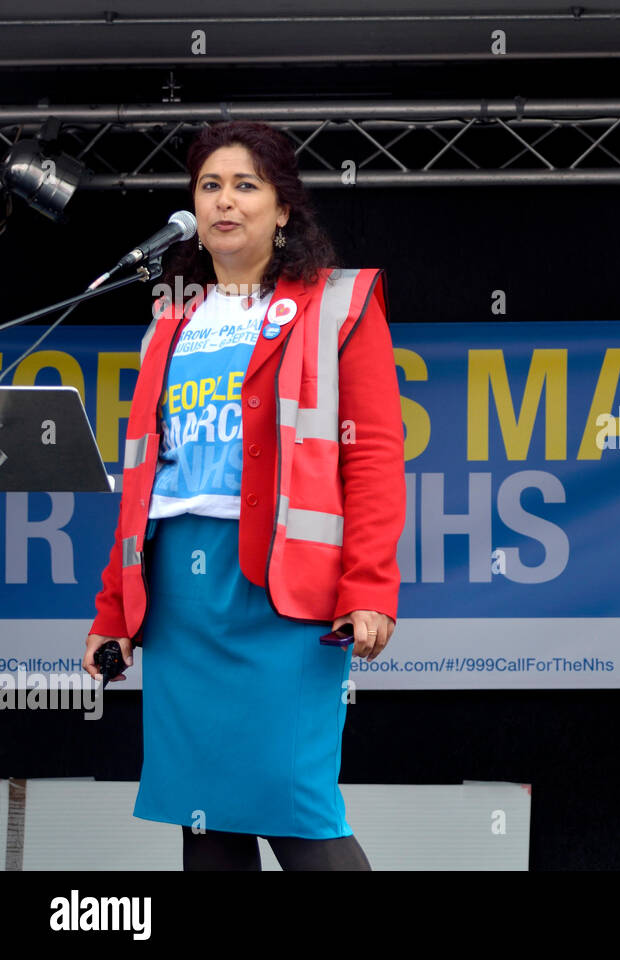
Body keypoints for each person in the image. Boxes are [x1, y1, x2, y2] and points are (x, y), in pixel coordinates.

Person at [82, 121, 405, 871]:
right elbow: (144, 483)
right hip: (180, 598)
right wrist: (113, 611)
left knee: (301, 815)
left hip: (282, 591)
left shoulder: (336, 304)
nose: (225, 202)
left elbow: (376, 457)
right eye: (210, 186)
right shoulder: (170, 321)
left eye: (247, 185)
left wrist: (370, 586)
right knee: (206, 824)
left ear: (284, 209)